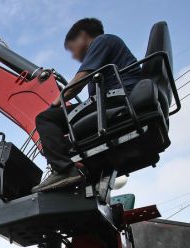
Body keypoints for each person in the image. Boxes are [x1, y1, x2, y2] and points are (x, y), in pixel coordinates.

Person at [33, 18, 141, 192]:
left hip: (116, 100)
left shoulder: (102, 41)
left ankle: (65, 170)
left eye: (71, 49)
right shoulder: (110, 50)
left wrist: (54, 105)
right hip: (117, 100)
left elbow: (78, 81)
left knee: (45, 119)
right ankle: (76, 169)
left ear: (83, 36)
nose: (74, 56)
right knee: (69, 140)